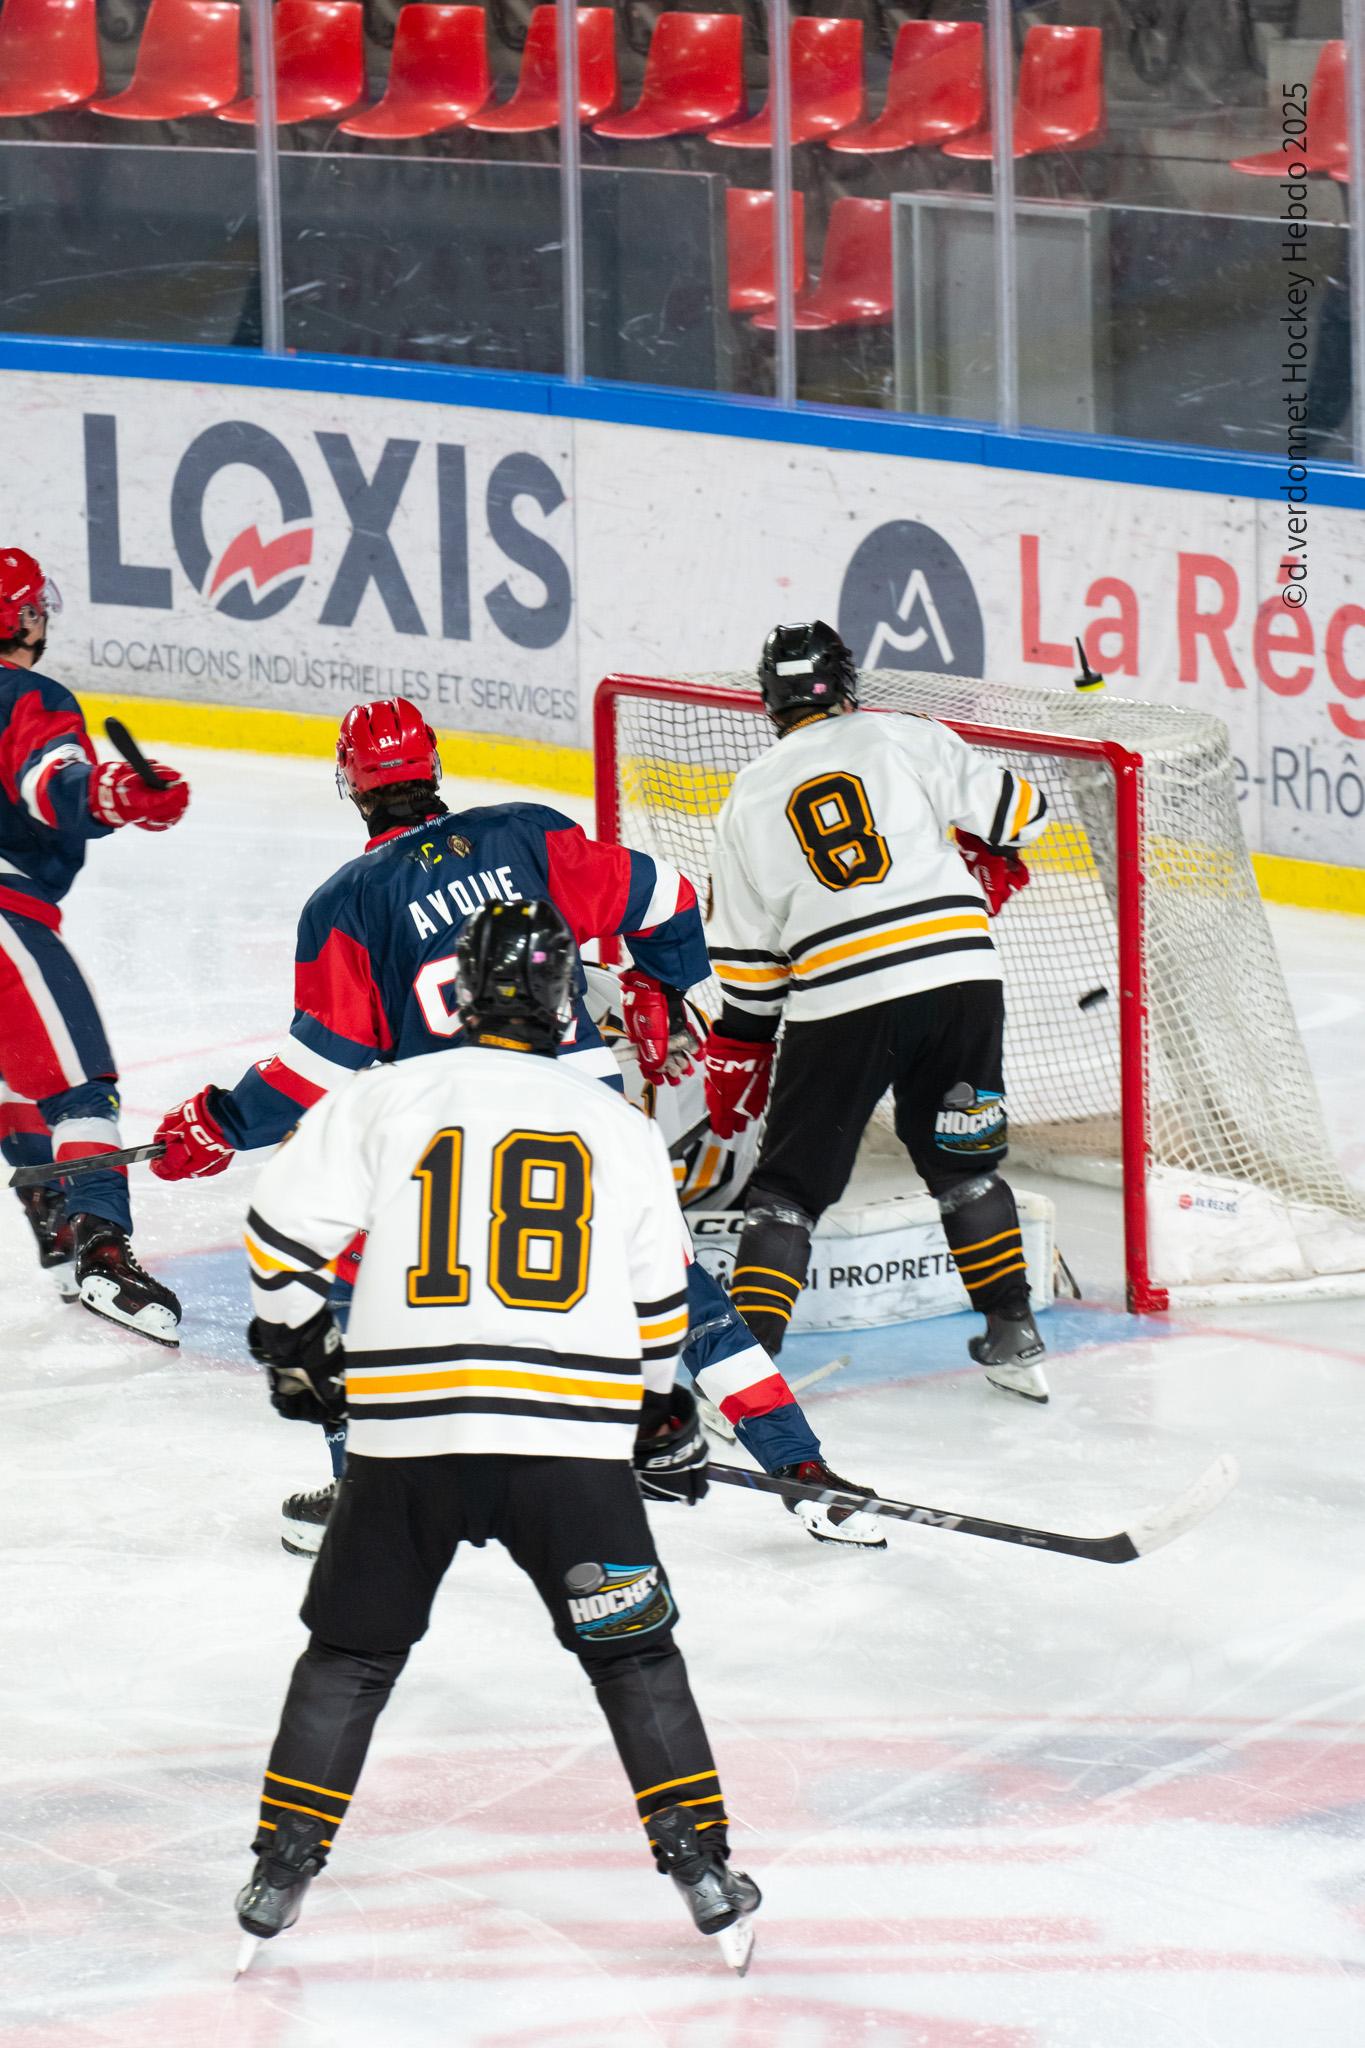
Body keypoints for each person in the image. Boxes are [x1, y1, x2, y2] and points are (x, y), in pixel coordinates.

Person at [150, 697, 881, 1551]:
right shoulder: (524, 834)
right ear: (433, 767)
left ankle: (365, 1497)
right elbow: (672, 897)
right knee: (683, 1299)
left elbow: (319, 1067)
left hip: (454, 1141)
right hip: (593, 1122)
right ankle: (803, 1471)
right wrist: (657, 985)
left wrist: (221, 1122)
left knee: (358, 1283)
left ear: (351, 785)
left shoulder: (346, 901)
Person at [234, 900, 762, 1975]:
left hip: (405, 1443)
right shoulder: (612, 1122)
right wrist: (656, 1413)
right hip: (567, 1450)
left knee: (349, 1654)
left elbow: (277, 1236)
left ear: (461, 991)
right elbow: (661, 1304)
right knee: (634, 1654)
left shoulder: (386, 1093)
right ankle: (705, 1873)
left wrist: (296, 1345)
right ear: (564, 1001)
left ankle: (277, 1875)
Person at [699, 621, 1051, 1403]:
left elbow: (750, 966)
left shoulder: (746, 795)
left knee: (787, 1191)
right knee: (963, 1165)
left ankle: (744, 1375)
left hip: (840, 999)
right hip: (959, 978)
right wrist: (987, 849)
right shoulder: (905, 733)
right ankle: (1012, 1330)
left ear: (770, 701)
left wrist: (743, 1044)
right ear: (846, 684)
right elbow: (1023, 815)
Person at [0, 547, 188, 1344]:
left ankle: (52, 1211)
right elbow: (50, 782)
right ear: (21, 617)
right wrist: (117, 793)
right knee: (81, 1090)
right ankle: (102, 1251)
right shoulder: (25, 694)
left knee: (20, 1066)